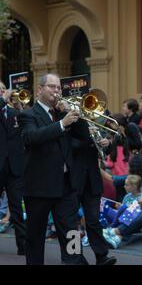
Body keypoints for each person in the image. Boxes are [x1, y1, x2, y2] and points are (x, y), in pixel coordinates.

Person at [18, 73, 85, 265]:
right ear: (39, 89)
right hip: (39, 186)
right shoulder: (28, 115)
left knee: (71, 232)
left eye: (58, 87)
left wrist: (76, 116)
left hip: (65, 185)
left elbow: (83, 139)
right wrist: (62, 124)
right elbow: (32, 138)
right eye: (52, 87)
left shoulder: (62, 113)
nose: (56, 91)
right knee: (35, 237)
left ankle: (74, 263)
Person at [68, 119, 117, 265]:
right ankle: (75, 258)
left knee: (93, 220)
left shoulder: (92, 124)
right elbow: (71, 146)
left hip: (92, 179)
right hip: (73, 179)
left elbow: (103, 153)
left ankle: (101, 256)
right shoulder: (68, 123)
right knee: (72, 222)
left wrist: (106, 144)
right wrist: (88, 137)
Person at [0, 81, 26, 255]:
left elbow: (28, 127)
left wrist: (21, 107)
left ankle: (22, 245)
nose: (3, 91)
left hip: (14, 168)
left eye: (3, 89)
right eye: (0, 90)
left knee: (17, 207)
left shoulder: (14, 112)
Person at [103, 175, 142, 249]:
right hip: (122, 219)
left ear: (134, 187)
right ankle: (114, 236)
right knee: (105, 208)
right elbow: (120, 213)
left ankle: (112, 232)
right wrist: (119, 208)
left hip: (133, 221)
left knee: (127, 209)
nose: (124, 186)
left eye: (126, 185)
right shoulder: (127, 196)